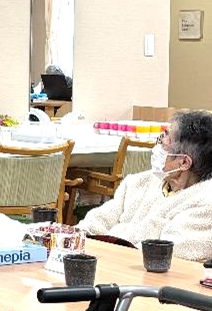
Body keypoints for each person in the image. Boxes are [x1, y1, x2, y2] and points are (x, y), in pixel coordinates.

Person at [78, 110, 212, 261]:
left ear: (183, 163)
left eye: (163, 141)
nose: (157, 146)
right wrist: (77, 238)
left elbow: (164, 255)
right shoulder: (141, 182)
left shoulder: (205, 203)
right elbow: (98, 220)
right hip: (105, 260)